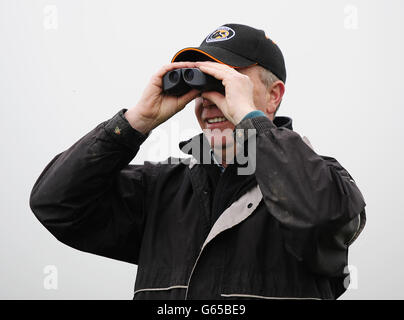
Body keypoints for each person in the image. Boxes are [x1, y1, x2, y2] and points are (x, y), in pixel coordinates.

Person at [29, 23, 366, 300]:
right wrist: (135, 122)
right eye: (203, 82)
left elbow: (318, 214)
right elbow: (56, 205)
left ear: (274, 95)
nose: (209, 100)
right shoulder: (162, 189)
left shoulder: (328, 183)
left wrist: (250, 121)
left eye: (225, 81)